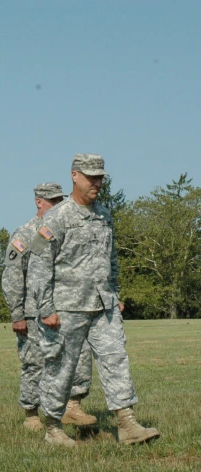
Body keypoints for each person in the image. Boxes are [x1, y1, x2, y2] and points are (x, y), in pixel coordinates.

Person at [29, 154, 161, 446]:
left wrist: (114, 291)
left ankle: (127, 423)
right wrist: (46, 308)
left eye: (100, 177)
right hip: (67, 307)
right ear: (74, 176)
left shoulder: (104, 214)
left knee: (116, 360)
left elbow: (111, 256)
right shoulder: (57, 217)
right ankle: (52, 428)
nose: (97, 183)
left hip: (104, 305)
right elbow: (39, 264)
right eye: (91, 177)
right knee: (61, 367)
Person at [2, 183, 96, 431]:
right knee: (34, 362)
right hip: (33, 313)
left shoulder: (64, 229)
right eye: (52, 201)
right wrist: (17, 314)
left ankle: (72, 407)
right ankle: (31, 413)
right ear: (39, 202)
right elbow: (12, 276)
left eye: (59, 200)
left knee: (77, 357)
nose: (58, 205)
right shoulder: (26, 234)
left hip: (66, 307)